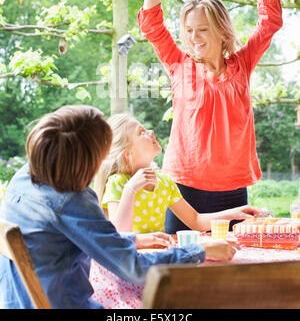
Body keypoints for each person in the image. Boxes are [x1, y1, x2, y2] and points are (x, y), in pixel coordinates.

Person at [0, 105, 237, 310]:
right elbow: (133, 268)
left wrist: (130, 240)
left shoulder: (23, 179)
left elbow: (63, 238)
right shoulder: (73, 201)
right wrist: (199, 251)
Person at [137, 0, 283, 233]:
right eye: (189, 31)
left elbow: (270, 20)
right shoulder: (178, 64)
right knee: (181, 270)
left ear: (220, 30)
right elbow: (151, 24)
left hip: (232, 188)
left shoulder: (242, 64)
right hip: (184, 188)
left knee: (229, 270)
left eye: (202, 29)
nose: (194, 37)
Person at [94, 113, 260, 234]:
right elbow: (119, 235)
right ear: (127, 154)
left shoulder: (165, 183)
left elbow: (196, 221)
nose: (151, 131)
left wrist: (236, 212)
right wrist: (131, 190)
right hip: (132, 264)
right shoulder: (118, 184)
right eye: (141, 132)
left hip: (157, 259)